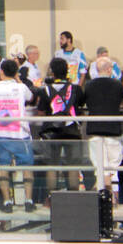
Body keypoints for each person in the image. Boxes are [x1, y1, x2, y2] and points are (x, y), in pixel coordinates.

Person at [0, 59, 36, 213]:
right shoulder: (21, 87)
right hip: (20, 133)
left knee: (3, 167)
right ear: (16, 72)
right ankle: (28, 200)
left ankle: (7, 201)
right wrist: (18, 78)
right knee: (27, 167)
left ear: (1, 72)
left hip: (0, 133)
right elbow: (30, 97)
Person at [36, 57, 88, 196]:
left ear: (52, 73)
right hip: (72, 131)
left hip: (51, 132)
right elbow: (81, 106)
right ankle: (73, 196)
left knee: (52, 166)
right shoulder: (76, 89)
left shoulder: (45, 90)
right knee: (73, 166)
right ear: (67, 71)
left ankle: (51, 197)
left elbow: (40, 112)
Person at [84, 55, 123, 195]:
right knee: (112, 166)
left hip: (95, 129)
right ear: (109, 70)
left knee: (99, 165)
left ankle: (103, 191)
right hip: (113, 129)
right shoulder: (116, 84)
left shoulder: (89, 85)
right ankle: (108, 194)